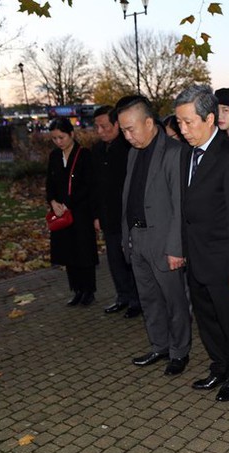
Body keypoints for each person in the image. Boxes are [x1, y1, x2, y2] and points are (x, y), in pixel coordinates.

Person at [174, 85, 229, 402]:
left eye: (188, 122)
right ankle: (219, 366)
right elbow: (185, 208)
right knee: (206, 320)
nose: (182, 129)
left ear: (210, 118)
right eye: (179, 122)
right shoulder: (185, 154)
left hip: (223, 260)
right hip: (197, 257)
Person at [117, 95, 192, 376]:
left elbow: (179, 206)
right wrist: (127, 238)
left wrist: (176, 248)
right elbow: (129, 198)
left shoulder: (174, 153)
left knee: (175, 301)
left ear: (149, 122)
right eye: (123, 130)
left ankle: (179, 351)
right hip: (138, 238)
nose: (127, 136)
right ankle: (159, 345)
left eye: (130, 129)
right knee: (149, 298)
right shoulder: (133, 153)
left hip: (164, 241)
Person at [91, 105, 142, 318]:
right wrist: (96, 215)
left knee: (129, 260)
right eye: (97, 127)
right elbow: (94, 186)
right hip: (107, 216)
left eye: (104, 126)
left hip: (126, 217)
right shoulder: (97, 150)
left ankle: (137, 300)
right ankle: (122, 296)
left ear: (115, 125)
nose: (100, 131)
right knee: (113, 259)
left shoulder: (128, 148)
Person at [46, 117, 98, 306]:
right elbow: (49, 183)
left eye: (61, 137)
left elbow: (89, 185)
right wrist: (53, 202)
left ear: (71, 135)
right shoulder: (54, 156)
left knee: (84, 252)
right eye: (54, 139)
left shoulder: (84, 155)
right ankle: (76, 290)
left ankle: (89, 290)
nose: (58, 142)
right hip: (61, 213)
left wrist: (68, 203)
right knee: (67, 253)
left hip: (81, 212)